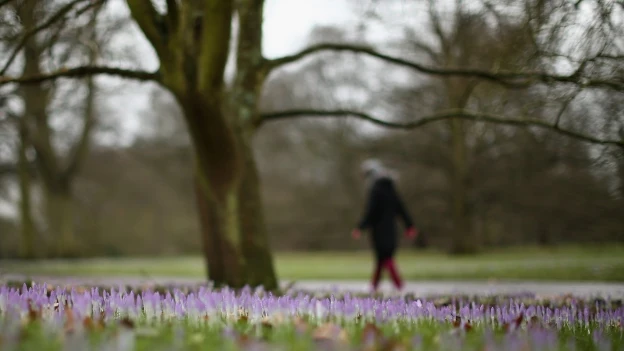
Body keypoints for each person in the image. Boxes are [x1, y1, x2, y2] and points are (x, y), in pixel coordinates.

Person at [351, 159, 418, 293]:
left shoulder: (375, 189)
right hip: (391, 229)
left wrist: (360, 227)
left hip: (379, 230)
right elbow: (401, 208)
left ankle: (399, 285)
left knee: (386, 258)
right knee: (381, 258)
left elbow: (371, 211)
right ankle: (374, 285)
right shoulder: (390, 188)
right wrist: (409, 225)